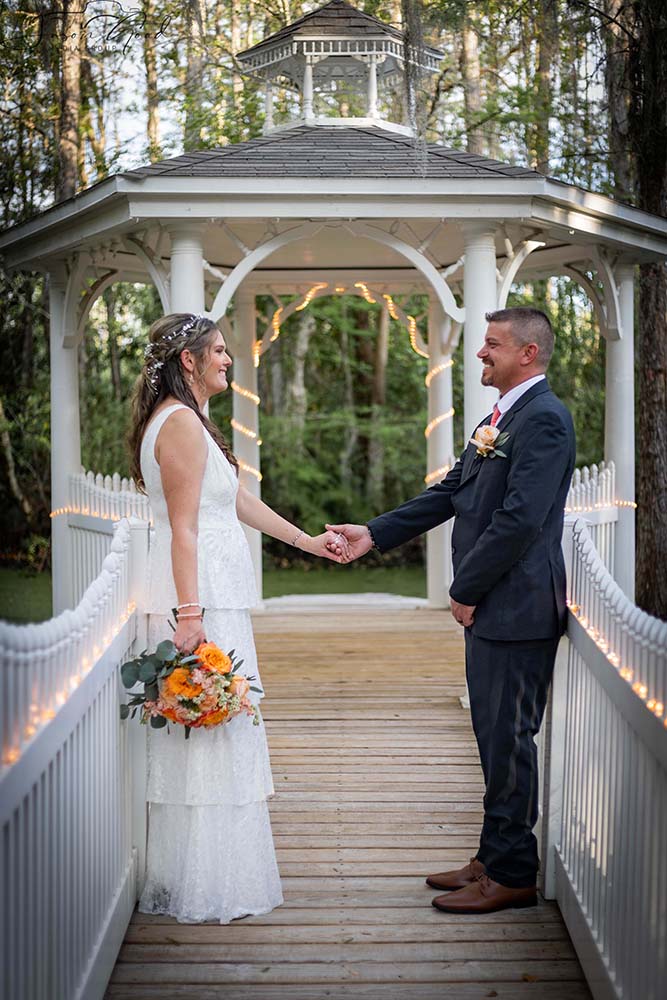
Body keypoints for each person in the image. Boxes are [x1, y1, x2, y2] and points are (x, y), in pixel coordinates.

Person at [327, 307, 575, 914]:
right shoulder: (499, 418)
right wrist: (375, 533)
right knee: (492, 739)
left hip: (516, 607)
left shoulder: (543, 420)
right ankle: (492, 856)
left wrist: (465, 587)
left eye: (492, 345)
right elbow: (450, 492)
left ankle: (513, 873)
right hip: (497, 607)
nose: (481, 354)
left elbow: (519, 520)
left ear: (528, 354)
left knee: (510, 740)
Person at [128, 312, 348, 924]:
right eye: (219, 351)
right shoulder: (177, 425)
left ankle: (218, 877)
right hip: (201, 603)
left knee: (220, 734)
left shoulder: (191, 423)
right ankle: (204, 886)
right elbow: (183, 526)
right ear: (188, 361)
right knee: (209, 735)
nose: (229, 360)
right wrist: (191, 615)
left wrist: (306, 541)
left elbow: (236, 502)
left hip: (216, 595)